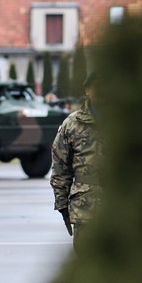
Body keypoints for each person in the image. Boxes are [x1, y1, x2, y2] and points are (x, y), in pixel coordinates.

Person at [51, 71, 101, 253]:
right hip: (84, 207)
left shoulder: (124, 122)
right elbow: (60, 167)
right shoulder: (72, 124)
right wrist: (62, 205)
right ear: (88, 90)